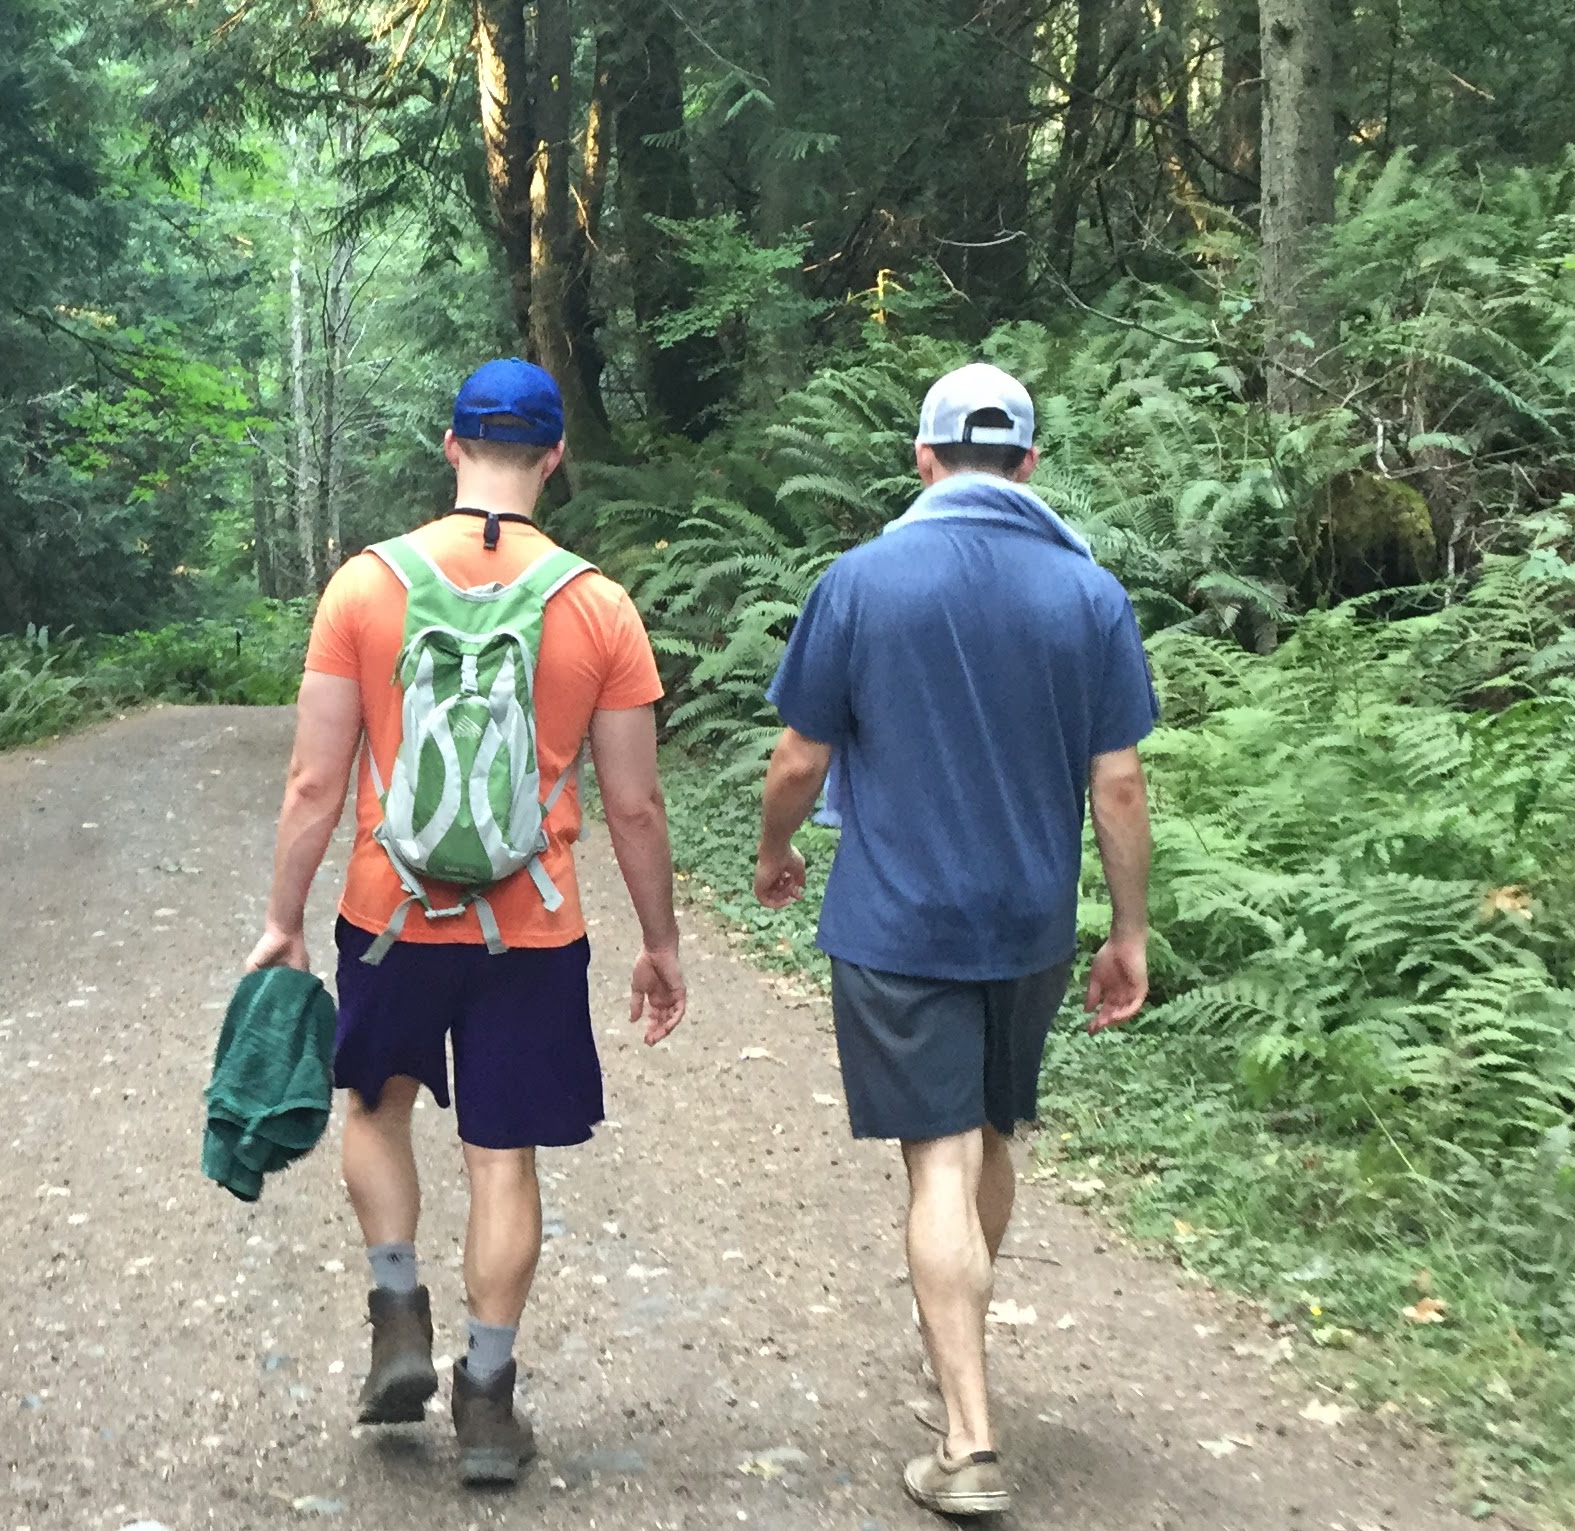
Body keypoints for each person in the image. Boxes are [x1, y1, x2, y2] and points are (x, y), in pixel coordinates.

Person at [247, 358, 687, 1488]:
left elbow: (313, 782)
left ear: (451, 447)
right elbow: (634, 802)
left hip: (384, 917)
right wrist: (659, 940)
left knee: (374, 1104)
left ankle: (397, 1312)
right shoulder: (598, 604)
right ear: (553, 458)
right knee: (503, 1158)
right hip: (529, 929)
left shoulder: (363, 586)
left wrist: (283, 922)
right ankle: (486, 1404)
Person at [753, 362, 1156, 1518]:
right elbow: (1117, 785)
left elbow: (797, 758)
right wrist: (1126, 930)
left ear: (921, 460)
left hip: (894, 922)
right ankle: (956, 1362)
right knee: (985, 1138)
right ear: (1029, 465)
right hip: (1026, 921)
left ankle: (968, 1436)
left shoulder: (863, 579)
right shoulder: (1087, 594)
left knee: (936, 1156)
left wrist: (776, 852)